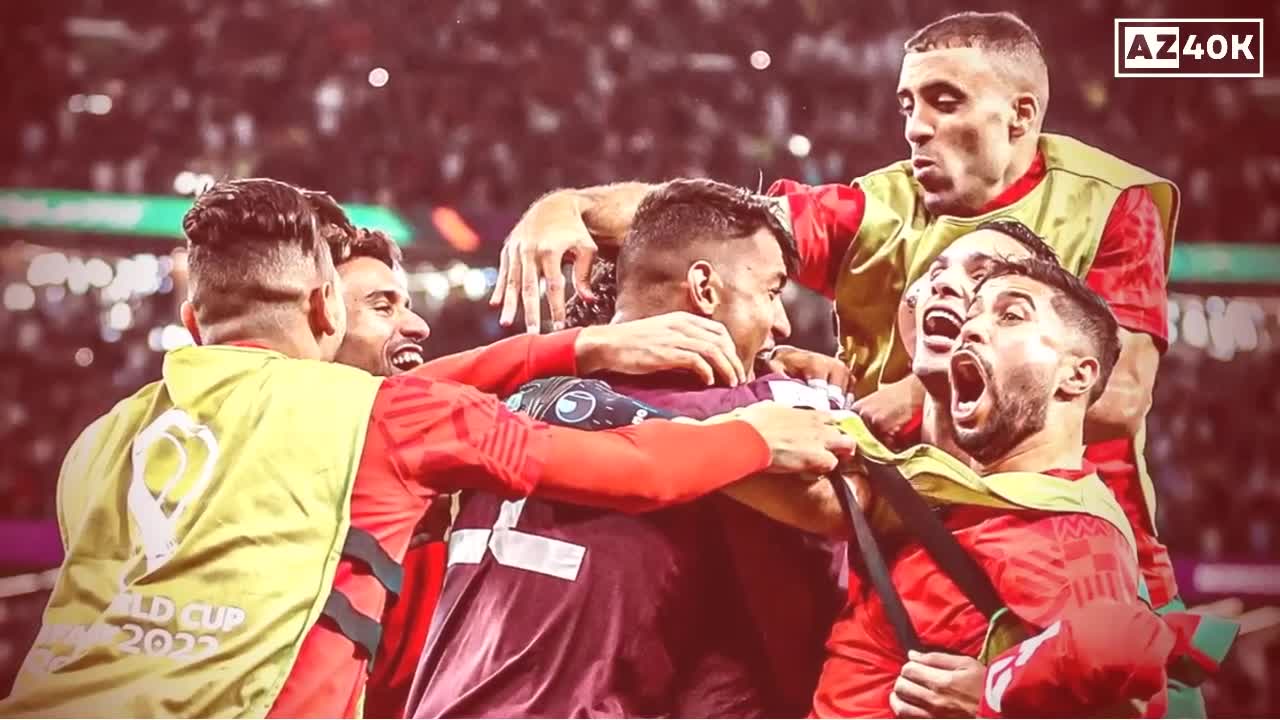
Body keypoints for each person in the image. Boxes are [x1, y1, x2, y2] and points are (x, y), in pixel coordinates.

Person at [0, 178, 855, 718]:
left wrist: (575, 349)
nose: (410, 325)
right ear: (325, 310)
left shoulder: (100, 441)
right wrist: (754, 433)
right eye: (378, 305)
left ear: (193, 321)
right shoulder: (381, 420)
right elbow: (637, 469)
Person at [490, 10, 1182, 622]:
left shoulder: (1110, 203)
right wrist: (569, 206)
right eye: (909, 104)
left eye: (946, 102)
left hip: (1065, 549)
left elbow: (1119, 396)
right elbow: (722, 229)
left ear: (1021, 117)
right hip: (901, 543)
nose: (918, 127)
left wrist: (919, 386)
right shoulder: (874, 208)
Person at [408, 180, 848, 718]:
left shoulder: (505, 401)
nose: (780, 324)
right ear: (704, 289)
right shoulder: (743, 407)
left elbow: (382, 399)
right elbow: (853, 503)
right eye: (773, 292)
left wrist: (570, 209)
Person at [882, 222, 1235, 719]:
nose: (971, 324)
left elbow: (1125, 684)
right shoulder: (946, 489)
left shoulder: (1069, 533)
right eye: (975, 310)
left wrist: (995, 696)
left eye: (1009, 315)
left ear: (1076, 374)